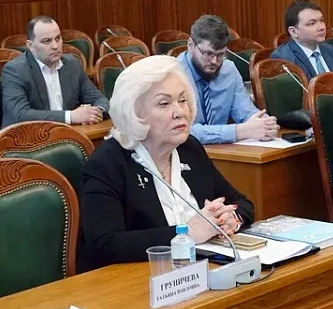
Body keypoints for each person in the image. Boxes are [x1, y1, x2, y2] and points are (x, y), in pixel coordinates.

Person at [79, 56, 255, 273]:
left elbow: (241, 202)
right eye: (164, 103)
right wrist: (187, 233)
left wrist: (231, 219)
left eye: (183, 100)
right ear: (135, 113)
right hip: (138, 280)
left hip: (200, 271)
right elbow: (105, 245)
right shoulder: (108, 164)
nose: (180, 111)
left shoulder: (188, 148)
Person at [179, 14, 278, 144]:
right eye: (208, 53)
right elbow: (184, 131)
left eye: (221, 54)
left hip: (223, 150)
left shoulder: (228, 69)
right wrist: (238, 131)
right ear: (191, 46)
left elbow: (246, 111)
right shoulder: (174, 75)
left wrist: (263, 123)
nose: (214, 61)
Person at [1, 16, 109, 128]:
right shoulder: (15, 70)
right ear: (30, 45)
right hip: (25, 135)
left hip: (67, 133)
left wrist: (95, 113)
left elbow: (99, 99)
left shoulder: (72, 64)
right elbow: (21, 114)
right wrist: (70, 116)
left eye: (58, 38)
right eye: (46, 41)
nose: (55, 46)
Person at [271, 0, 333, 80]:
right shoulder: (283, 58)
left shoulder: (330, 50)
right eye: (312, 23)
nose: (321, 27)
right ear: (293, 31)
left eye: (322, 20)